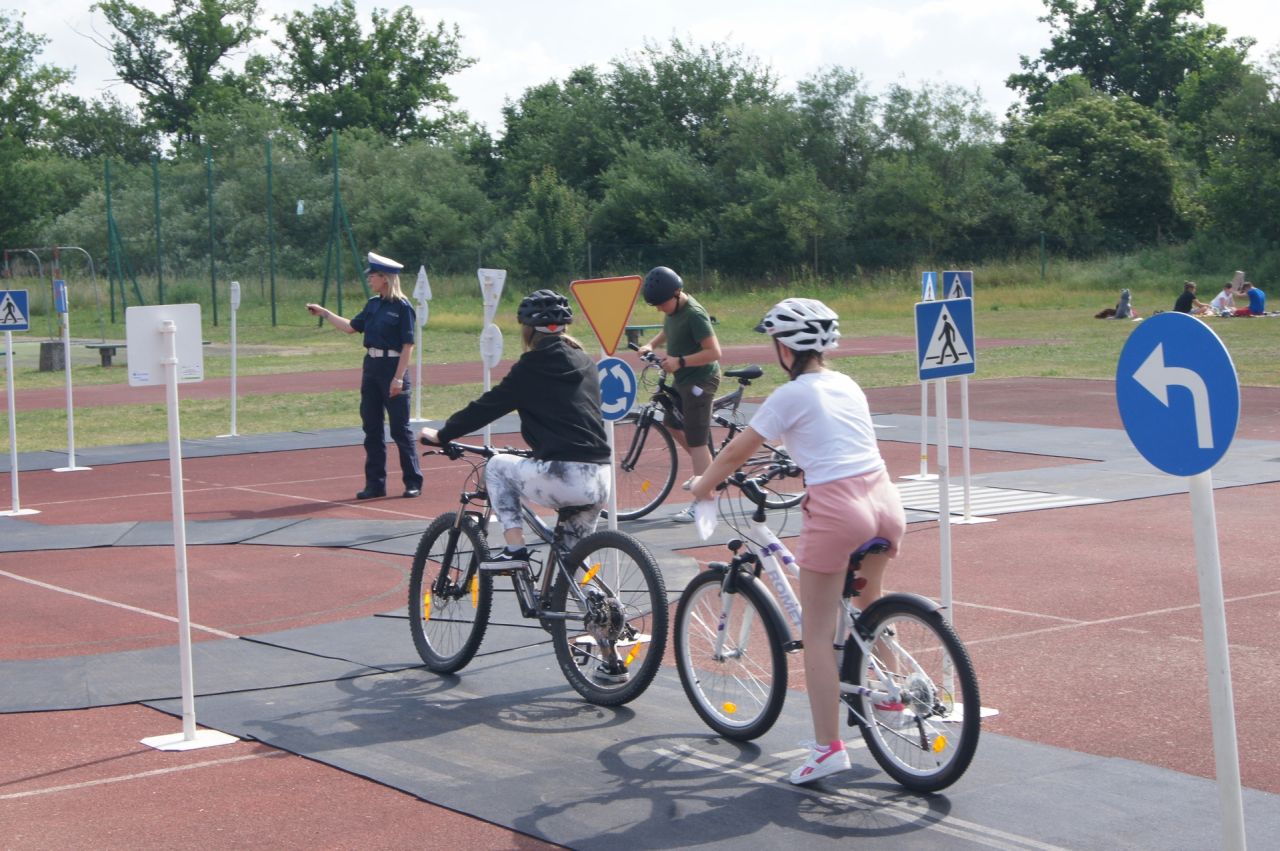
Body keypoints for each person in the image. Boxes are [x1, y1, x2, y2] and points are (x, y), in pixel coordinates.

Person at [690, 298, 906, 786]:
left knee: (817, 632)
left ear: (785, 347)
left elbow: (733, 456)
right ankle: (892, 694)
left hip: (838, 510)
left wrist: (701, 487)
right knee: (870, 603)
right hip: (885, 502)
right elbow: (834, 441)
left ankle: (828, 748)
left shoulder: (790, 395)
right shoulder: (846, 383)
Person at [419, 289, 611, 571]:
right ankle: (599, 606)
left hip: (563, 475)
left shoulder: (530, 367)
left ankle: (515, 550)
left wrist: (443, 434)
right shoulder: (586, 362)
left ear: (528, 331)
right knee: (574, 562)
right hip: (599, 477)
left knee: (497, 467)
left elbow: (487, 407)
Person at [307, 252, 423, 500]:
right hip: (371, 367)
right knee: (371, 428)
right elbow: (351, 327)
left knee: (399, 430)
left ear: (385, 278)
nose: (369, 278)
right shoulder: (373, 304)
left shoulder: (402, 308)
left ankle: (413, 481)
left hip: (393, 367)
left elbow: (407, 345)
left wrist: (399, 378)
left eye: (373, 275)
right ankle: (375, 484)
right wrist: (325, 313)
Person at [635, 266, 722, 523]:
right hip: (684, 378)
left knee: (696, 441)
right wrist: (651, 344)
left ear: (676, 293)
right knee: (671, 423)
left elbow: (714, 352)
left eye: (662, 304)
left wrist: (680, 361)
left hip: (700, 380)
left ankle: (704, 499)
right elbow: (668, 329)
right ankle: (709, 470)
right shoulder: (674, 311)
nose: (660, 309)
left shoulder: (694, 314)